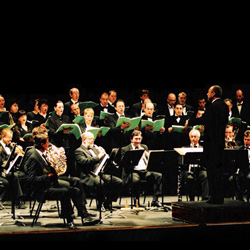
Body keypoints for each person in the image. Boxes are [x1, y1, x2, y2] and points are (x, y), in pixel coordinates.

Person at [26, 132, 95, 229]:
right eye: (47, 142)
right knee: (69, 190)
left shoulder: (41, 154)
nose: (49, 144)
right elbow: (30, 179)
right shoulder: (34, 157)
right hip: (43, 189)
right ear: (42, 144)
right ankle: (71, 219)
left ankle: (83, 214)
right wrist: (48, 176)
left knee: (75, 181)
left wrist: (59, 159)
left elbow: (51, 168)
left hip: (50, 183)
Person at [187, 85, 229, 204]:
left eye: (208, 92)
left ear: (213, 94)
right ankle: (219, 197)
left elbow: (205, 119)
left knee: (212, 171)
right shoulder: (225, 106)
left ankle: (214, 197)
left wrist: (190, 121)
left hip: (212, 144)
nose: (207, 94)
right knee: (219, 171)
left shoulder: (213, 106)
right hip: (220, 143)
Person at [75, 132, 123, 211]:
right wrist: (98, 156)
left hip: (99, 172)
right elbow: (84, 162)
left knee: (118, 182)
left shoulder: (94, 148)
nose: (92, 141)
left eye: (93, 139)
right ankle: (100, 204)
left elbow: (102, 160)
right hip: (88, 174)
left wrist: (104, 154)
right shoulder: (79, 151)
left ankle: (107, 202)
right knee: (100, 183)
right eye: (90, 139)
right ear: (84, 140)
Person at [120, 130, 162, 207]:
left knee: (158, 176)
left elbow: (150, 162)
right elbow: (124, 164)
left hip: (144, 171)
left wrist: (148, 156)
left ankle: (155, 200)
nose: (138, 141)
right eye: (136, 139)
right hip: (133, 171)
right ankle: (136, 200)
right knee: (135, 180)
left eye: (139, 139)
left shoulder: (144, 147)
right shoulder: (125, 149)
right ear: (131, 139)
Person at [180, 130, 209, 201]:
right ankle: (191, 198)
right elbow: (180, 161)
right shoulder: (184, 148)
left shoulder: (202, 148)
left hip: (199, 169)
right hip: (189, 169)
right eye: (191, 137)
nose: (193, 138)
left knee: (205, 175)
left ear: (198, 138)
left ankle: (205, 197)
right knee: (189, 178)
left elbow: (206, 161)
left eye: (195, 137)